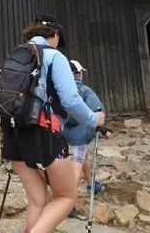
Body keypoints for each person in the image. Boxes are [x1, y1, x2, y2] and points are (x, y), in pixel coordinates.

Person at [1, 14, 105, 233]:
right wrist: (92, 120)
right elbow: (70, 99)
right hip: (44, 135)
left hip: (12, 133)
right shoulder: (54, 56)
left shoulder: (17, 54)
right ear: (55, 34)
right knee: (66, 196)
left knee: (37, 200)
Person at [62, 59, 109, 209]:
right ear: (79, 74)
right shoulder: (85, 90)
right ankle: (69, 201)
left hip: (61, 130)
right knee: (76, 163)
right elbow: (97, 111)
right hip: (80, 132)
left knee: (83, 158)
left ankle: (91, 184)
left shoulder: (60, 90)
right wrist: (103, 128)